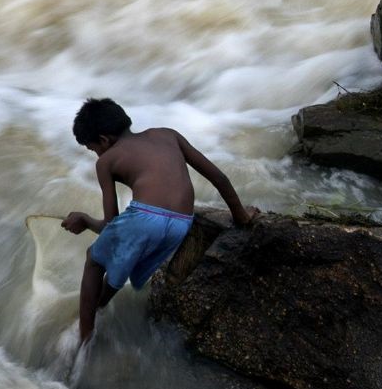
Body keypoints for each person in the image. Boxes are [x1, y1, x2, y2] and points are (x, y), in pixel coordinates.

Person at [61, 97, 258, 345]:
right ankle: (98, 306)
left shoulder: (106, 162)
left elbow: (111, 225)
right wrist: (240, 215)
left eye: (93, 149)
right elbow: (217, 176)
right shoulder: (168, 135)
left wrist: (85, 220)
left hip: (144, 217)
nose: (96, 155)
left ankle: (84, 336)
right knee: (122, 254)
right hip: (181, 224)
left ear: (103, 140)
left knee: (94, 259)